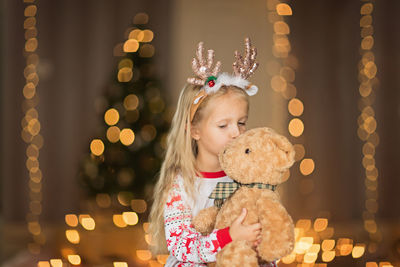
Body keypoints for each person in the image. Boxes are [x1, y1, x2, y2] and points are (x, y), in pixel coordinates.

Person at [149, 38, 276, 267]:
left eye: (242, 122)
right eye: (223, 125)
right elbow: (181, 245)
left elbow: (266, 222)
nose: (236, 133)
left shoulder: (247, 180)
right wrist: (229, 237)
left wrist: (262, 243)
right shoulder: (181, 183)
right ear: (194, 130)